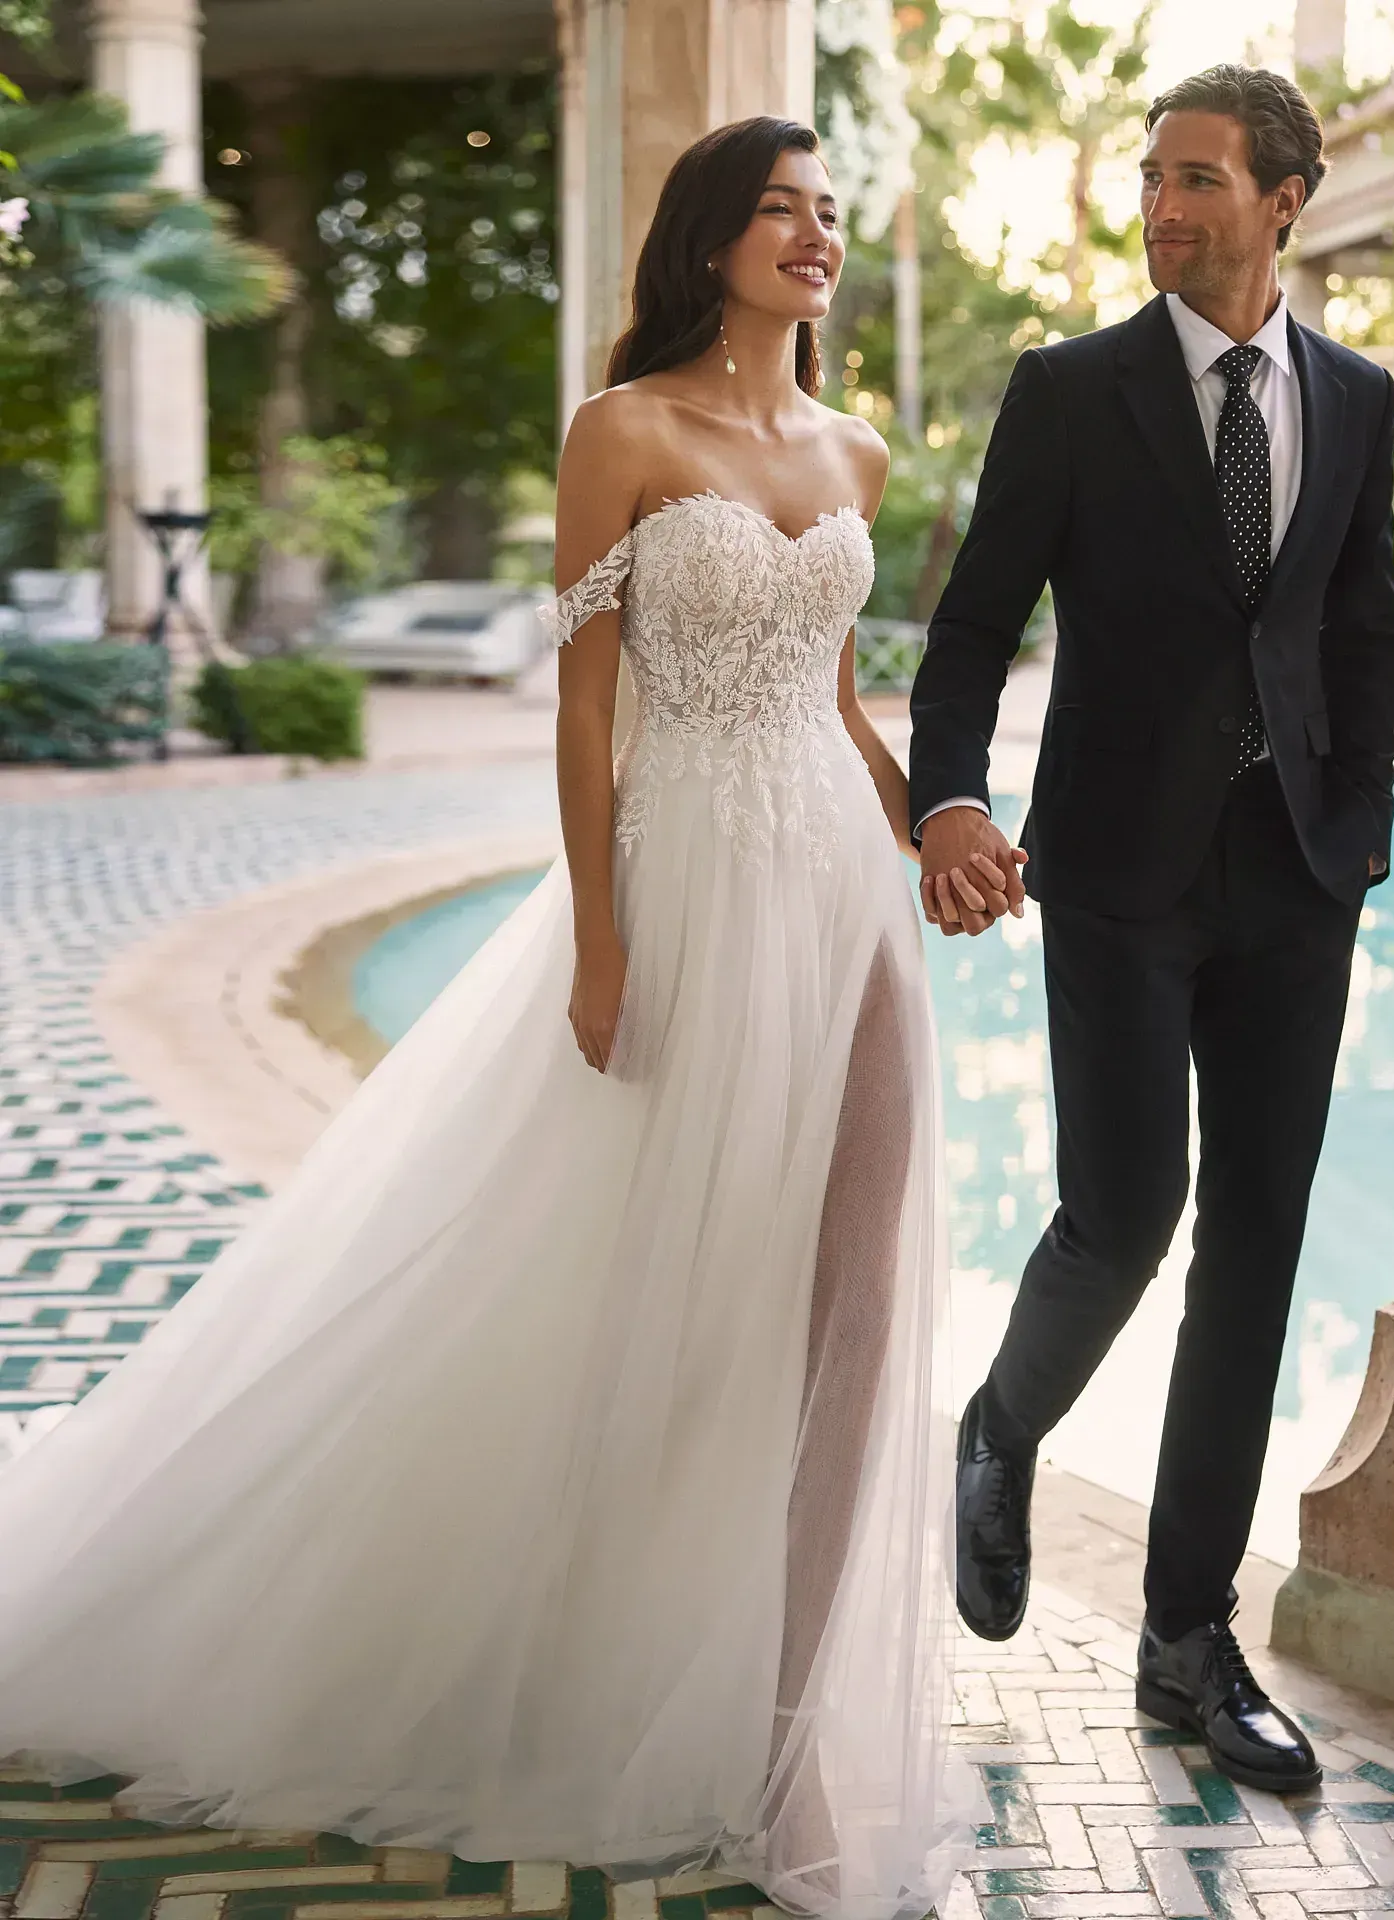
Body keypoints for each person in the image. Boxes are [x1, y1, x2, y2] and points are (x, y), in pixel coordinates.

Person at [0, 118, 964, 1920]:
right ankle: (554, 1641)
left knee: (853, 1305)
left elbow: (835, 695)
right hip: (682, 893)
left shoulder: (859, 445)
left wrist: (940, 824)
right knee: (645, 1303)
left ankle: (788, 1731)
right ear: (707, 236)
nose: (815, 236)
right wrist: (603, 946)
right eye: (779, 209)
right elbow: (586, 716)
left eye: (831, 214)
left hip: (843, 898)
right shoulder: (625, 432)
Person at [908, 65, 1394, 1793]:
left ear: (1285, 201)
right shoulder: (1072, 391)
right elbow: (974, 622)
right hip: (1115, 872)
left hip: (1297, 880)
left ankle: (1188, 1649)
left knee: (1255, 1252)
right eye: (1153, 180)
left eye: (1200, 179)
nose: (1164, 208)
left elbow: (1367, 626)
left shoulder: (1356, 395)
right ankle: (1001, 1426)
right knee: (1126, 1213)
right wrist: (949, 798)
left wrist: (1364, 827)